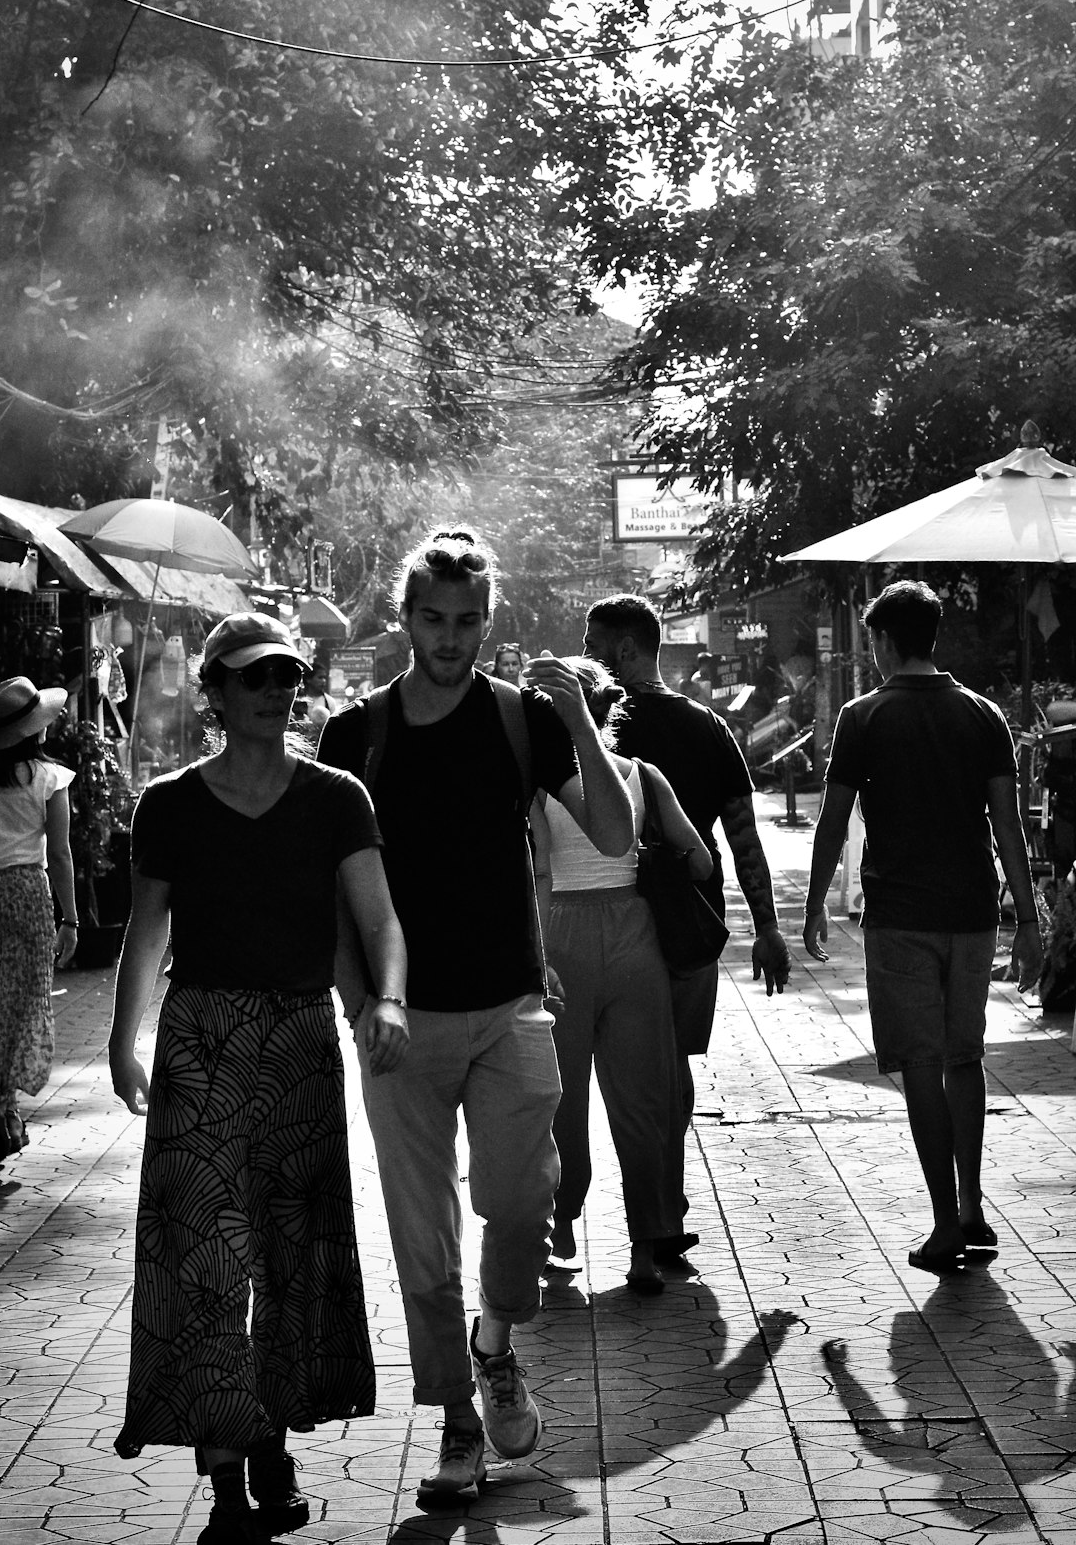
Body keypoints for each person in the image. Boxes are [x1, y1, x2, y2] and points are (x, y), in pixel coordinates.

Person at [317, 527, 633, 1509]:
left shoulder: (519, 719)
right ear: (406, 619)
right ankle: (459, 1419)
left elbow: (617, 833)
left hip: (509, 1006)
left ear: (487, 621)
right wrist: (360, 1000)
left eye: (467, 620)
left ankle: (494, 1341)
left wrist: (579, 720)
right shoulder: (355, 736)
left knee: (525, 1200)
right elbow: (330, 893)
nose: (449, 638)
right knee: (422, 1240)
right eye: (433, 619)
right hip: (400, 1023)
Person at [108, 613, 409, 1545]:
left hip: (298, 1041)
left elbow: (379, 921)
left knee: (289, 1254)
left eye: (284, 676)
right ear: (217, 694)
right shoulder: (169, 803)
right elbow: (144, 935)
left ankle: (271, 1438)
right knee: (205, 1261)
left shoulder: (336, 797)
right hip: (200, 1040)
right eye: (253, 678)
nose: (274, 692)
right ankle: (226, 1473)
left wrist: (389, 998)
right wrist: (125, 1042)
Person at [802, 579, 1042, 1273]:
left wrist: (816, 902)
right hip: (971, 913)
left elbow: (833, 817)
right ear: (934, 636)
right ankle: (971, 1205)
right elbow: (1008, 827)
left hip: (900, 917)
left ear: (882, 639)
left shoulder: (863, 715)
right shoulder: (983, 714)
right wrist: (1027, 920)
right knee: (965, 1059)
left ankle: (943, 1223)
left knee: (922, 1066)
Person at [582, 594, 790, 1268]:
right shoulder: (708, 727)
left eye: (594, 642)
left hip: (618, 921)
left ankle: (655, 1214)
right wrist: (768, 928)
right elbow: (742, 835)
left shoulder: (591, 733)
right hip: (693, 921)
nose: (586, 653)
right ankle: (666, 1210)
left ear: (625, 650)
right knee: (670, 1068)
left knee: (637, 1078)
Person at [540, 657, 713, 1293]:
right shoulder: (640, 777)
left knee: (559, 1098)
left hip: (557, 938)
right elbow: (698, 861)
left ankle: (558, 1222)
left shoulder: (537, 785)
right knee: (645, 1101)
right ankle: (647, 1242)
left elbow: (529, 868)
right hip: (635, 938)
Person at [0, 677, 78, 1158]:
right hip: (28, 893)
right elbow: (62, 854)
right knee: (21, 1004)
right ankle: (5, 1106)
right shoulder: (48, 779)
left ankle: (1, 1108)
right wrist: (70, 920)